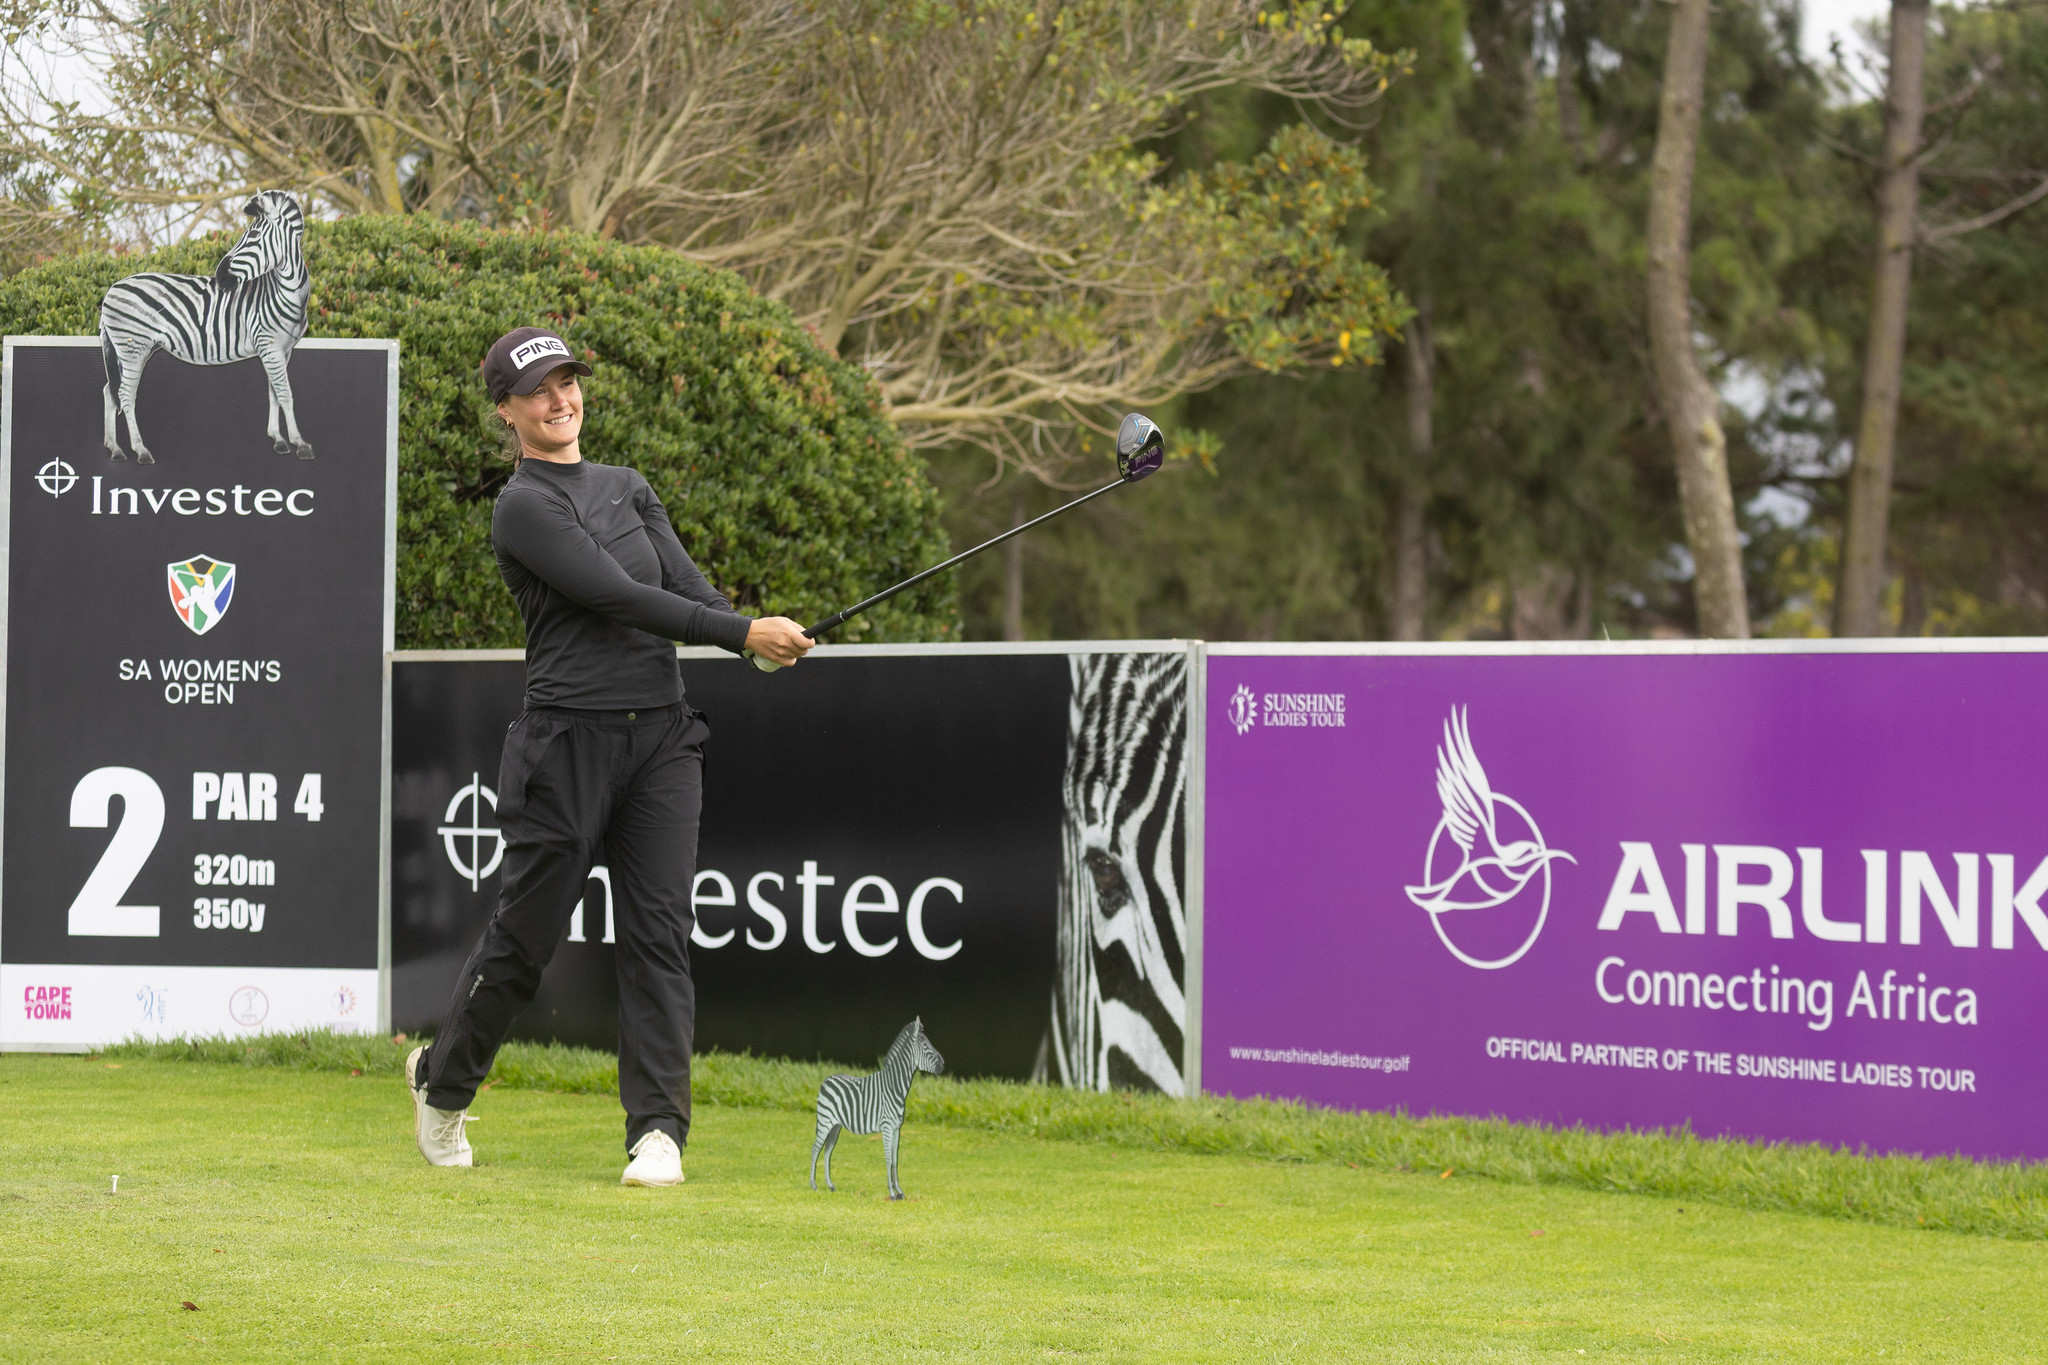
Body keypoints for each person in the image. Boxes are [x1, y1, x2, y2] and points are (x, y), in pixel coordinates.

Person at [405, 326, 814, 1185]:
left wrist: (753, 642)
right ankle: (443, 1084)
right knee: (527, 939)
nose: (561, 400)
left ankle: (658, 1131)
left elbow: (686, 589)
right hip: (566, 745)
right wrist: (740, 632)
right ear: (508, 410)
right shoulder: (522, 507)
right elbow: (619, 596)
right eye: (541, 390)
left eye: (568, 383)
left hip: (662, 739)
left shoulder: (629, 487)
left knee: (659, 931)